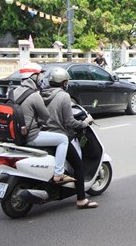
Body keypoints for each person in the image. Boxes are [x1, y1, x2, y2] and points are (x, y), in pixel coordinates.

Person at [42, 67, 98, 209]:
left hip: (44, 133)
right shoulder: (64, 96)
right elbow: (69, 122)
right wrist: (84, 123)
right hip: (60, 135)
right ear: (64, 82)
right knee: (79, 166)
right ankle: (81, 199)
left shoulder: (42, 94)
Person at [12, 63, 73, 184]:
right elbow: (45, 118)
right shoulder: (34, 95)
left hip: (14, 135)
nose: (41, 78)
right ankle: (59, 173)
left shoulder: (13, 92)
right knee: (63, 139)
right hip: (30, 136)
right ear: (33, 76)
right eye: (39, 75)